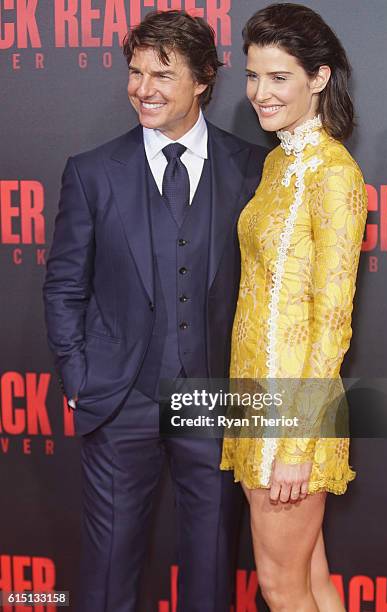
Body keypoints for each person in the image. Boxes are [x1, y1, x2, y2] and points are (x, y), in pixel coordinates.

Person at [43, 9, 267, 612]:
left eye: (162, 74)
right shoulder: (92, 173)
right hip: (120, 400)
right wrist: (79, 379)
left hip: (214, 403)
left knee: (212, 575)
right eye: (136, 72)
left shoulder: (253, 169)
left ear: (203, 79)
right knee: (108, 575)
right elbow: (64, 285)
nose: (143, 88)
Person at [220, 4, 368, 611]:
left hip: (292, 415)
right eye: (253, 76)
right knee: (309, 583)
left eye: (279, 77)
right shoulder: (280, 163)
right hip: (256, 398)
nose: (260, 92)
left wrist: (296, 444)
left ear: (319, 77)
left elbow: (333, 324)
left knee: (282, 590)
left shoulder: (336, 174)